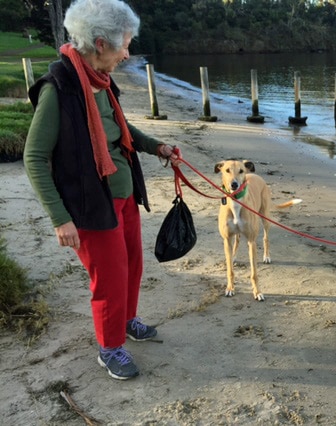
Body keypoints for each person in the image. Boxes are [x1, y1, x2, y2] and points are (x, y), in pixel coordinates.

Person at [24, 0, 178, 380]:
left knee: (131, 265)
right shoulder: (59, 89)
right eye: (125, 45)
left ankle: (127, 320)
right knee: (107, 278)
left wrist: (157, 146)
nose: (128, 53)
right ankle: (109, 349)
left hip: (124, 194)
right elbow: (33, 156)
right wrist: (61, 219)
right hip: (90, 204)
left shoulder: (101, 82)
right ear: (101, 44)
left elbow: (122, 129)